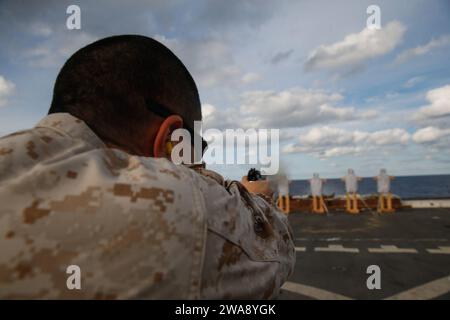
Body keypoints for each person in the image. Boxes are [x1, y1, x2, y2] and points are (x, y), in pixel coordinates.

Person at [0, 36, 295, 299]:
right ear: (170, 139)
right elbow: (275, 251)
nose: (199, 158)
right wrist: (257, 195)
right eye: (195, 146)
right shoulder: (171, 202)